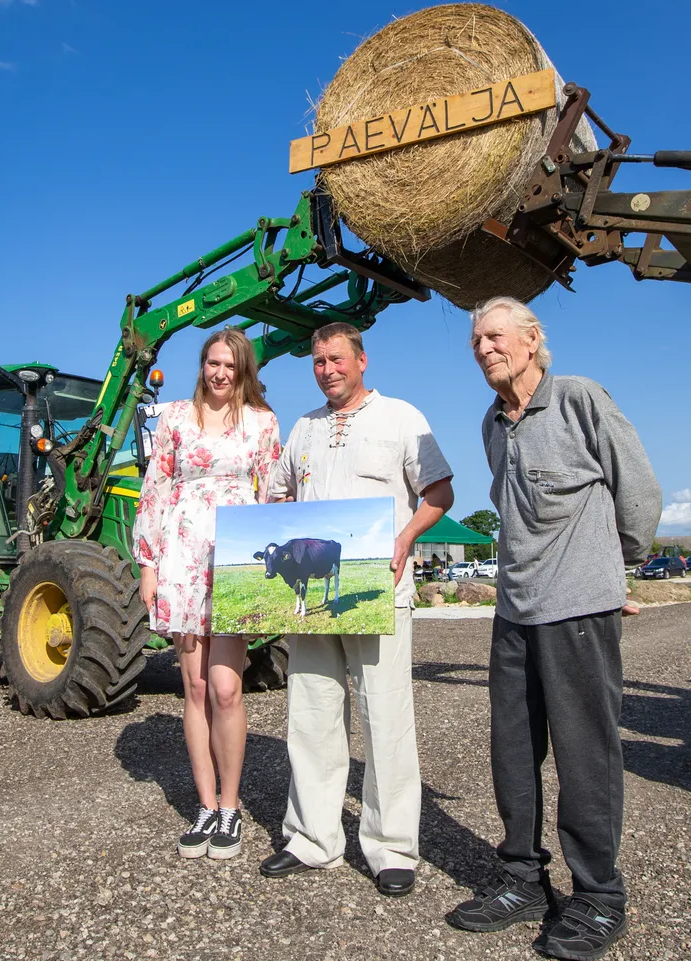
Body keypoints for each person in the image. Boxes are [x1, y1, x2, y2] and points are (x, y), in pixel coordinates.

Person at [448, 297, 661, 960]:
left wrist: (615, 571)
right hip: (513, 610)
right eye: (476, 339)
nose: (485, 347)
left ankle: (599, 896)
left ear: (533, 338)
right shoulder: (492, 423)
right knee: (512, 752)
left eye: (496, 335)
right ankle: (522, 881)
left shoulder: (578, 399)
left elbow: (640, 492)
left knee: (584, 754)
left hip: (577, 608)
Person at [259, 321, 454, 898]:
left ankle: (391, 847)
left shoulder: (401, 417)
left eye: (337, 358)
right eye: (318, 361)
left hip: (378, 590)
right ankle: (311, 838)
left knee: (386, 716)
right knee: (312, 714)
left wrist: (405, 538)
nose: (327, 369)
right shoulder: (303, 429)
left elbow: (439, 491)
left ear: (362, 360)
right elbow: (277, 496)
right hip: (312, 605)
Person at [132, 329, 283, 861]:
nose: (220, 373)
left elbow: (274, 492)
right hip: (183, 555)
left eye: (230, 365)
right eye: (213, 363)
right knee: (193, 690)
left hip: (238, 556)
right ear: (203, 366)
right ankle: (205, 806)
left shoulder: (263, 424)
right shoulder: (175, 417)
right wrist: (148, 564)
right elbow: (156, 488)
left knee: (225, 688)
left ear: (244, 370)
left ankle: (232, 806)